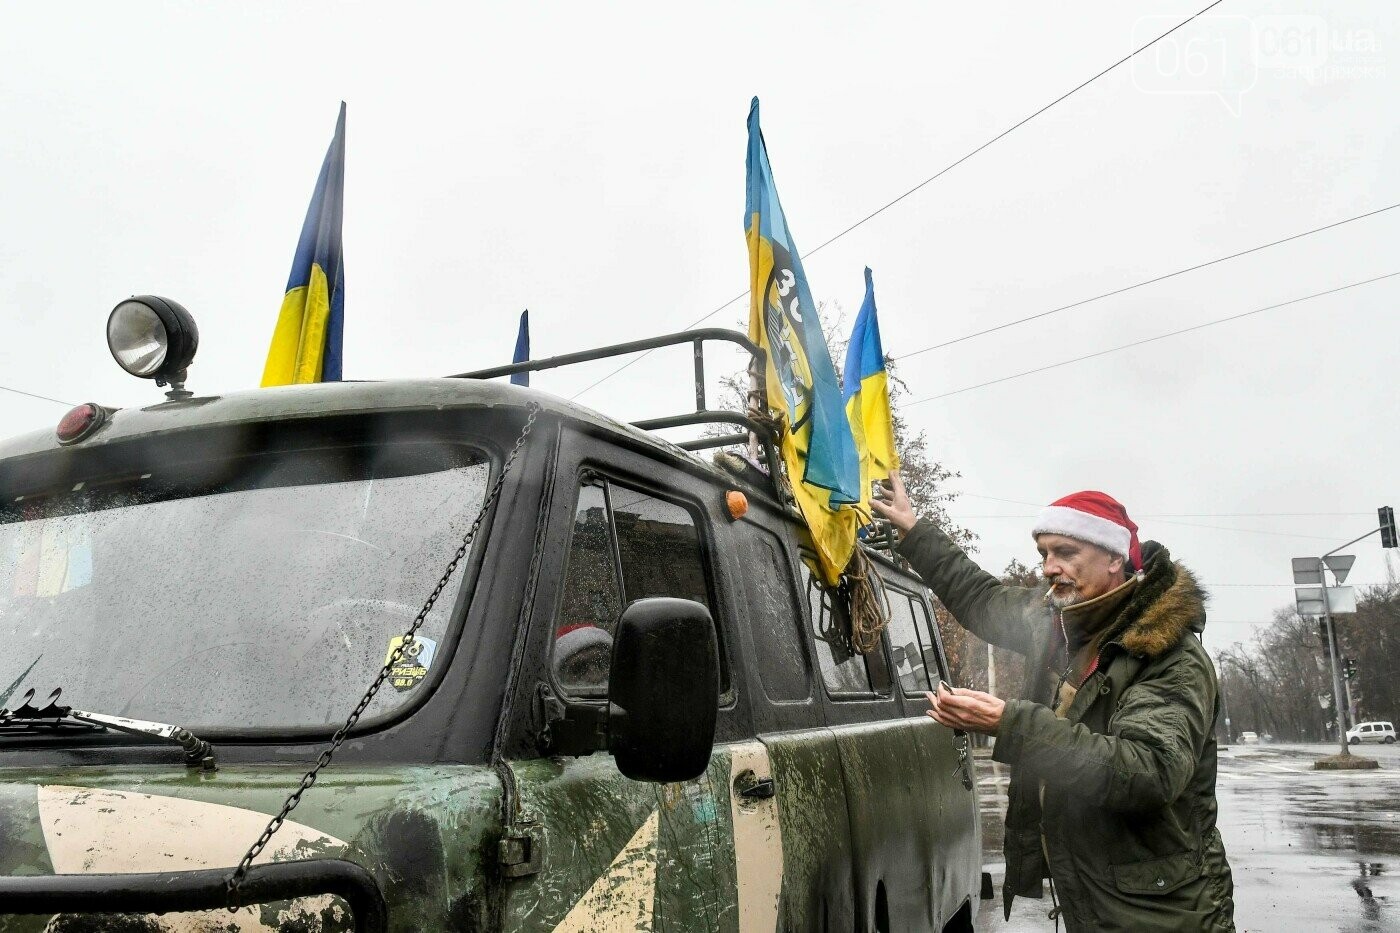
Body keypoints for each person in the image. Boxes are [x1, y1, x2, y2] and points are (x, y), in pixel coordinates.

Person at [872, 475, 1235, 932]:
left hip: (1162, 910)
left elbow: (1148, 772)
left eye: (1065, 552)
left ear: (1114, 557)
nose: (1048, 567)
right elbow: (980, 597)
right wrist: (914, 530)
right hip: (1095, 893)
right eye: (1044, 553)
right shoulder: (1057, 622)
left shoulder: (1168, 654)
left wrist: (1010, 723)